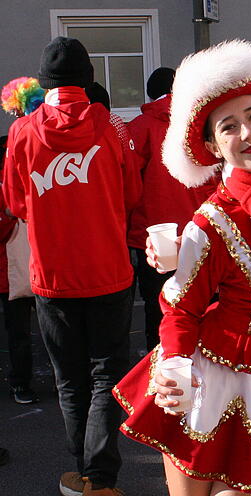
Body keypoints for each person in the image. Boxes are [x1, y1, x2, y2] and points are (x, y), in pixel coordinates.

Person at [114, 40, 251, 495]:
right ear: (213, 148)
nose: (247, 133)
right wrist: (176, 369)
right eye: (228, 127)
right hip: (218, 377)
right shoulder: (210, 222)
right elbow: (181, 306)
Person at [3, 37, 141, 496]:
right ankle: (100, 478)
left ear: (46, 82)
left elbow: (15, 202)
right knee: (107, 375)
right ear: (89, 80)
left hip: (52, 277)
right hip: (109, 271)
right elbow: (132, 195)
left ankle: (83, 473)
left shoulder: (23, 132)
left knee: (70, 380)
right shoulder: (112, 126)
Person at [125, 67, 215, 351]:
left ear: (151, 94)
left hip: (154, 237)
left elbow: (128, 182)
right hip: (202, 229)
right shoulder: (201, 122)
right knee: (204, 302)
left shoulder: (139, 126)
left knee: (159, 308)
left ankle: (160, 367)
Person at [0, 78, 44, 406]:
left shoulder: (11, 144)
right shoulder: (43, 142)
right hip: (42, 248)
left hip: (14, 255)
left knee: (19, 330)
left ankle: (21, 383)